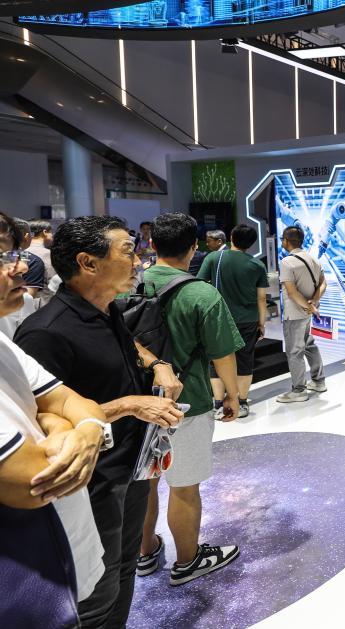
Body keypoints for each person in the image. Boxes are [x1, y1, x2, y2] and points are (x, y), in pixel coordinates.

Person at [15, 215, 185, 628]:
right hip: (89, 487)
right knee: (93, 595)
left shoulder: (106, 312)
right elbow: (37, 426)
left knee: (124, 571)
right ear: (88, 263)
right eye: (128, 251)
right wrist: (127, 405)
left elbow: (131, 346)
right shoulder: (45, 333)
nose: (138, 260)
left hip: (130, 469)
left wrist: (157, 364)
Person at [0, 212, 108, 619]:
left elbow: (74, 404)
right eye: (1, 256)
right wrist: (63, 424)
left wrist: (76, 425)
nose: (18, 267)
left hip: (71, 560)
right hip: (28, 589)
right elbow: (34, 481)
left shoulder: (4, 344)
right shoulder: (46, 329)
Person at [137, 213, 243, 587]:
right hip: (188, 403)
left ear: (152, 244)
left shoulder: (126, 285)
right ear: (194, 247)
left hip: (137, 402)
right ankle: (186, 561)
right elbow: (223, 354)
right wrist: (232, 396)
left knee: (145, 483)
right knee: (183, 486)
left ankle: (145, 552)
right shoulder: (202, 294)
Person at [197, 224, 269, 418]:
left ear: (231, 237)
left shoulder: (213, 258)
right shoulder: (257, 265)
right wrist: (262, 323)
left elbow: (200, 285)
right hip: (248, 320)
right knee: (245, 361)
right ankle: (242, 403)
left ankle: (218, 404)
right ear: (251, 243)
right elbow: (261, 298)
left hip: (219, 318)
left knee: (216, 360)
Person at [277, 225, 327, 403]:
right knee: (308, 345)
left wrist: (308, 306)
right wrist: (313, 302)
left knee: (294, 352)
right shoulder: (313, 259)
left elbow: (291, 292)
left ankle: (299, 390)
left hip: (294, 314)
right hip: (307, 314)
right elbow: (323, 283)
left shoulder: (287, 262)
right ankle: (318, 381)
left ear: (286, 241)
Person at [27, 219, 57, 307]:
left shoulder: (21, 251)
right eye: (51, 232)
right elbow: (53, 281)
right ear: (44, 232)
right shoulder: (47, 254)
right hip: (43, 303)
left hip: (22, 302)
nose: (52, 235)